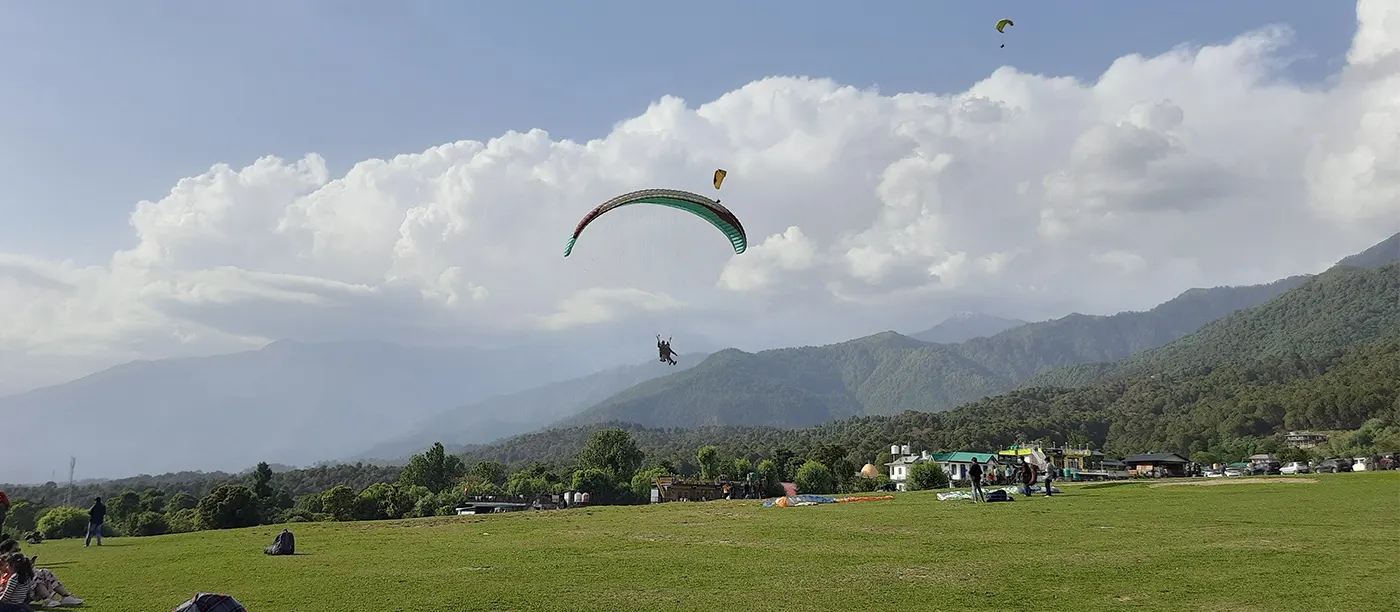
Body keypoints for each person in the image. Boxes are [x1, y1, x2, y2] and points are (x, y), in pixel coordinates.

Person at [0, 540, 82, 608]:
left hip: (20, 589)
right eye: (16, 550)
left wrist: (28, 567)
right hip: (12, 592)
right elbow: (7, 572)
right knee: (36, 575)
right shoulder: (4, 560)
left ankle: (65, 596)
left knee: (44, 572)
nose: (19, 551)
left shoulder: (17, 559)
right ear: (5, 550)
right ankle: (49, 598)